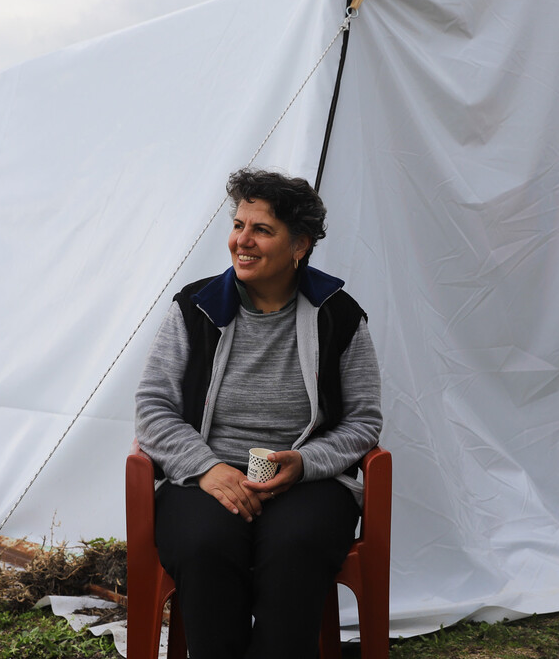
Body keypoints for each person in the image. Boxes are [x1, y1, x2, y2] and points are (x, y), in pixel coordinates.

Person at [135, 167, 382, 659]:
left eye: (262, 229)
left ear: (300, 245)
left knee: (295, 546)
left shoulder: (340, 314)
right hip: (204, 478)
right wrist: (206, 468)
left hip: (306, 482)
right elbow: (153, 407)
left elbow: (364, 422)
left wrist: (305, 463)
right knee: (205, 544)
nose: (241, 241)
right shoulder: (196, 307)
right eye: (238, 225)